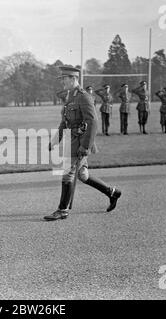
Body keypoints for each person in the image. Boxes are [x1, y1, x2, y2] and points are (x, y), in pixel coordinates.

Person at [45, 66, 122, 221]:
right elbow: (65, 122)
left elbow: (93, 122)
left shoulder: (83, 96)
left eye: (64, 79)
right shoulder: (70, 96)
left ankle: (62, 210)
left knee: (68, 173)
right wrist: (55, 140)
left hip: (80, 142)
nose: (62, 82)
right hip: (72, 141)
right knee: (83, 175)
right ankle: (112, 192)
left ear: (73, 79)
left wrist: (85, 146)